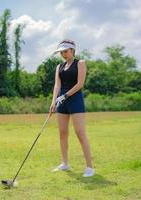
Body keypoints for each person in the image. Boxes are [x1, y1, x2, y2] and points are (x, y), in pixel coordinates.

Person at [49, 39, 95, 177]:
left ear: (72, 50)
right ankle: (65, 163)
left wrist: (65, 95)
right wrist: (53, 102)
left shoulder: (80, 63)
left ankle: (89, 168)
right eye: (61, 52)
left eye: (66, 51)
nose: (63, 54)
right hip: (61, 101)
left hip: (75, 100)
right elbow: (57, 85)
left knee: (80, 133)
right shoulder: (59, 67)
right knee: (62, 133)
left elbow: (80, 84)